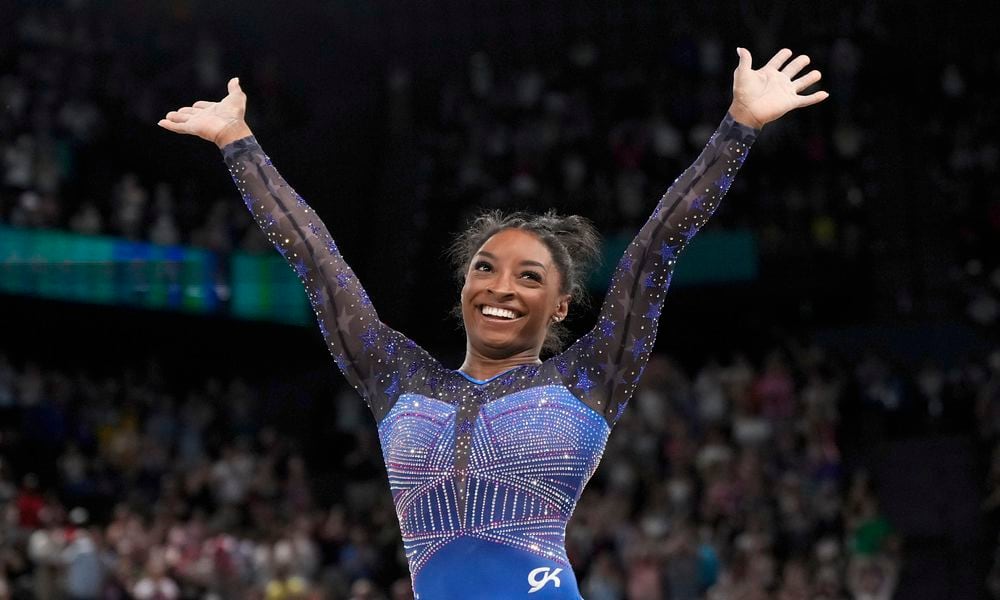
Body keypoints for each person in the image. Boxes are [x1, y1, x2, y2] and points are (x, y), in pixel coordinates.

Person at [159, 47, 827, 598]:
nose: (501, 287)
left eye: (529, 276)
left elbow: (656, 251)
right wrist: (238, 143)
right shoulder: (398, 379)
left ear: (560, 307)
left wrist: (738, 127)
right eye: (485, 268)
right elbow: (317, 263)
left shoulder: (589, 378)